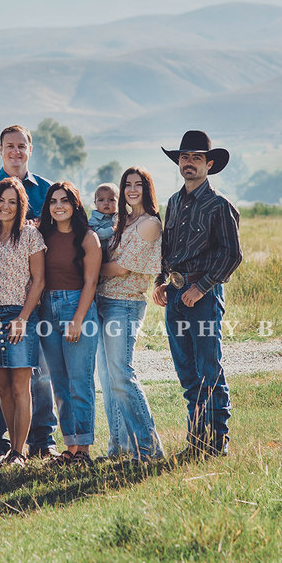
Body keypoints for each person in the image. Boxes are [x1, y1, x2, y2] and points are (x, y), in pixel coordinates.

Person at [0, 125, 58, 460]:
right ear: (0, 149)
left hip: (33, 301)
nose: (15, 152)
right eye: (9, 146)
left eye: (21, 146)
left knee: (39, 373)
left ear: (30, 149)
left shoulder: (47, 190)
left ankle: (41, 440)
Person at [152, 131, 242, 461]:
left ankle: (217, 441)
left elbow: (232, 254)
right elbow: (168, 250)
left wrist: (200, 287)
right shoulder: (174, 203)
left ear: (210, 164)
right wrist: (163, 281)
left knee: (209, 369)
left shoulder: (219, 205)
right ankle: (197, 439)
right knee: (188, 373)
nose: (188, 163)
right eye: (184, 157)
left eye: (196, 158)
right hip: (176, 296)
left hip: (202, 298)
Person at [96, 167, 164, 461]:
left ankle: (149, 449)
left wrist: (84, 273)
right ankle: (120, 447)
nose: (132, 190)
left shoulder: (149, 224)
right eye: (128, 185)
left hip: (124, 304)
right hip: (102, 301)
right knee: (108, 378)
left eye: (138, 185)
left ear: (147, 189)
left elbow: (122, 267)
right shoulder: (122, 221)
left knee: (122, 374)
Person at [0, 176, 47, 466]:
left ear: (21, 206)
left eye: (13, 202)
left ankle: (20, 452)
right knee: (2, 388)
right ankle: (11, 448)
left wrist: (23, 318)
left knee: (21, 387)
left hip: (20, 315)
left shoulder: (30, 235)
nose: (6, 207)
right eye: (1, 201)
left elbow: (39, 280)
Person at [36, 181, 102, 466]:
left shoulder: (87, 237)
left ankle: (84, 449)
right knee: (59, 383)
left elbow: (91, 282)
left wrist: (77, 319)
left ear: (75, 205)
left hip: (78, 307)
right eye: (53, 201)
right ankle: (71, 447)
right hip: (47, 309)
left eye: (64, 200)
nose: (58, 205)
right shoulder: (43, 235)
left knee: (80, 381)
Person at [89, 183, 118, 260]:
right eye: (101, 200)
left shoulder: (119, 217)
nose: (106, 203)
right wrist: (113, 230)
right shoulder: (94, 219)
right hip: (100, 253)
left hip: (115, 254)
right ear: (95, 203)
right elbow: (97, 234)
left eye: (111, 200)